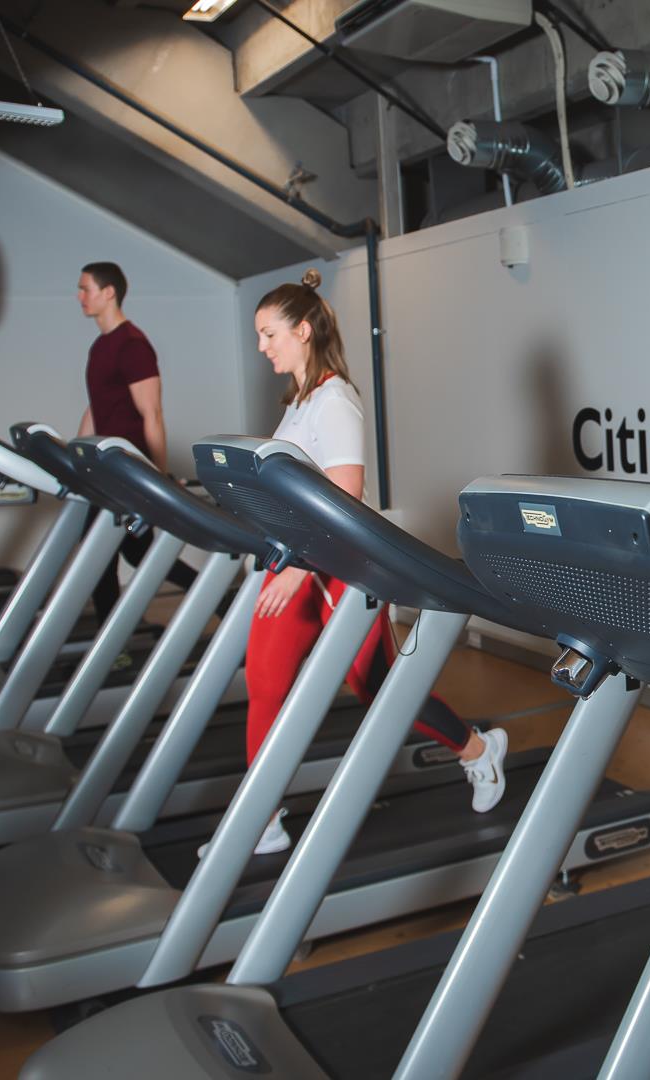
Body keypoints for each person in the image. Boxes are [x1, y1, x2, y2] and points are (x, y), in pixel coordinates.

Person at [216, 269, 509, 858]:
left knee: (376, 687)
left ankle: (477, 749)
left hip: (338, 572)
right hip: (297, 564)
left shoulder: (334, 401)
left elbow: (345, 499)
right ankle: (262, 818)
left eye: (269, 334)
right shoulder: (297, 403)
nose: (261, 346)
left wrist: (301, 570)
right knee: (266, 683)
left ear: (302, 331)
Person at [75, 261, 196, 617]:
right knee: (135, 551)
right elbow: (97, 407)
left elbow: (152, 414)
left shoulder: (132, 345)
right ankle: (222, 601)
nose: (79, 296)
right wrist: (75, 455)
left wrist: (159, 478)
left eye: (86, 289)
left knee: (97, 554)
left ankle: (111, 648)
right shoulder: (101, 347)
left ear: (108, 292)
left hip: (128, 475)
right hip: (106, 472)